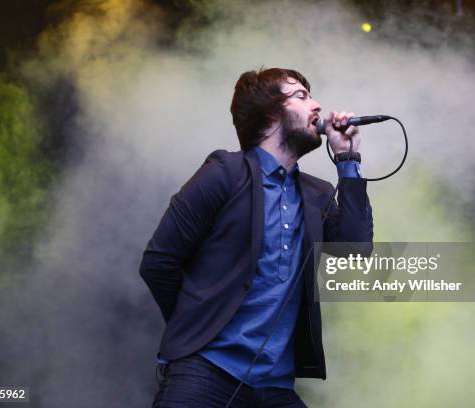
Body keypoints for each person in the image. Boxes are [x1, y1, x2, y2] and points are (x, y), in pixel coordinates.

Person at [139, 67, 374, 407]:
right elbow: (159, 261)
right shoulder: (225, 172)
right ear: (270, 114)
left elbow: (355, 252)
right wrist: (198, 326)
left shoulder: (317, 193)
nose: (318, 105)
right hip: (207, 370)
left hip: (274, 386)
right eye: (302, 96)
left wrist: (348, 160)